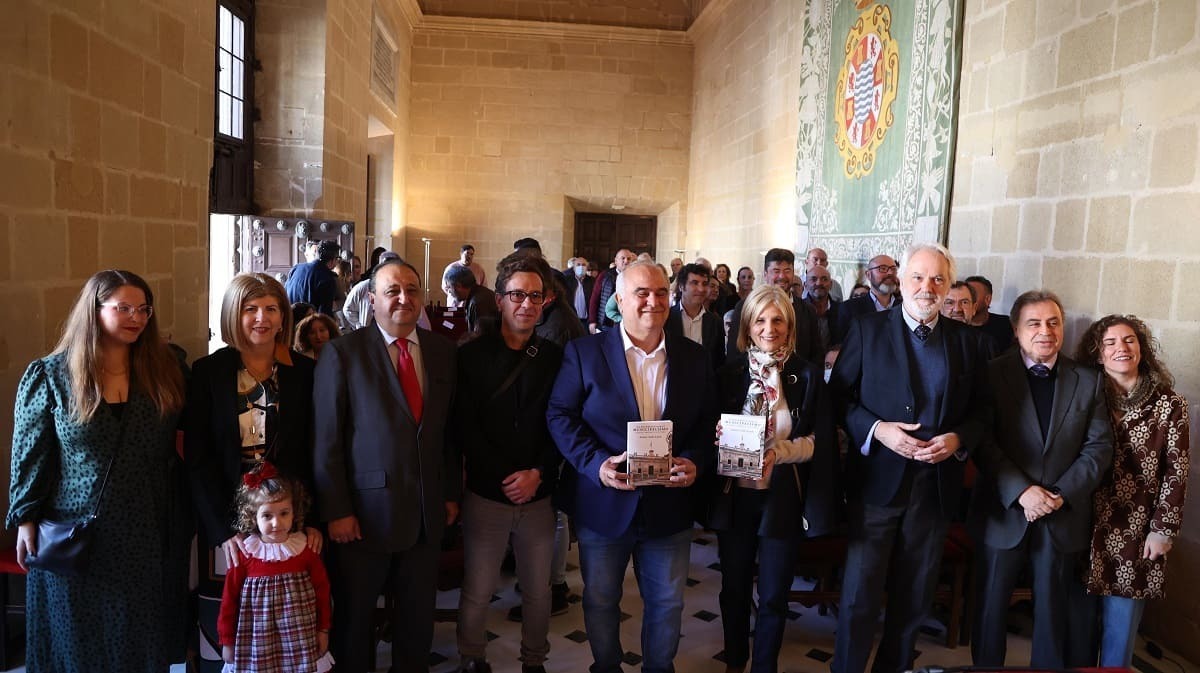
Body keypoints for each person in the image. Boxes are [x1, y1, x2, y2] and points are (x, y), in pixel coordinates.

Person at [8, 269, 187, 671]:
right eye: (123, 307)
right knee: (76, 639)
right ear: (94, 309)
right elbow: (30, 454)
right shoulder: (51, 376)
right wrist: (25, 518)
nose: (136, 317)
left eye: (143, 309)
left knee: (138, 637)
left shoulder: (166, 369)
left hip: (147, 526)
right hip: (75, 529)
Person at [828, 243, 993, 673]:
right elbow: (838, 399)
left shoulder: (968, 343)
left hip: (934, 490)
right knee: (860, 595)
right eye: (918, 277)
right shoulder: (867, 330)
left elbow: (983, 410)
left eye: (938, 279)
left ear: (948, 286)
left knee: (913, 598)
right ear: (901, 281)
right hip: (877, 485)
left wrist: (958, 438)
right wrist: (877, 430)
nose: (927, 287)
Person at [547, 260, 717, 673]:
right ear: (619, 300)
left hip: (670, 504)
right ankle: (606, 666)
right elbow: (560, 414)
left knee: (667, 602)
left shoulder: (694, 357)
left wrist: (695, 462)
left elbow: (710, 423)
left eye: (660, 292)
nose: (652, 301)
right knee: (601, 598)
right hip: (605, 501)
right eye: (641, 293)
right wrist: (594, 464)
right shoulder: (585, 353)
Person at [313, 259, 459, 673]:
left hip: (426, 514)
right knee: (356, 621)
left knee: (416, 623)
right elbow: (327, 440)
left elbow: (449, 432)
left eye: (412, 290)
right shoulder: (344, 353)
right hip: (363, 516)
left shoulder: (442, 352)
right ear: (372, 298)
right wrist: (337, 510)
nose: (403, 298)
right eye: (392, 290)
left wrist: (449, 493)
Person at [969, 290, 1113, 667]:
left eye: (1053, 323)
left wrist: (1059, 495)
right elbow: (982, 440)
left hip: (1061, 515)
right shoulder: (990, 374)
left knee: (1054, 615)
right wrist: (1021, 492)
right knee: (989, 610)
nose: (1045, 331)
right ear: (1016, 330)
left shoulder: (1089, 380)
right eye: (1034, 323)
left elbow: (1098, 449)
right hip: (1004, 512)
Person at [709, 285, 839, 673]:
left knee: (774, 595)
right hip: (735, 496)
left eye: (778, 320)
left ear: (790, 326)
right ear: (747, 326)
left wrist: (778, 454)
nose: (769, 328)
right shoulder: (727, 375)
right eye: (760, 320)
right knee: (733, 588)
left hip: (782, 497)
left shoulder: (808, 376)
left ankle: (764, 666)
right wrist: (716, 437)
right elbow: (703, 434)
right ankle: (735, 662)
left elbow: (821, 442)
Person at [454, 255, 565, 673]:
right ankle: (472, 658)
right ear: (499, 300)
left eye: (535, 296)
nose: (526, 304)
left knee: (538, 590)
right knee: (479, 588)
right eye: (517, 295)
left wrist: (538, 472)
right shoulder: (471, 356)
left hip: (538, 492)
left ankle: (534, 661)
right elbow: (464, 424)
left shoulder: (554, 357)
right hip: (488, 491)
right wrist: (505, 476)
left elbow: (561, 422)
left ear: (545, 302)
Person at [1075, 315, 1190, 666]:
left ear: (1141, 348)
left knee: (1120, 629)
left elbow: (1177, 470)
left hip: (1137, 528)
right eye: (1110, 343)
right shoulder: (1082, 394)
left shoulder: (1169, 404)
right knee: (1077, 624)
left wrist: (1163, 530)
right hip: (1082, 521)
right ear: (1097, 353)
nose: (1121, 349)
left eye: (1129, 340)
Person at [219, 463, 334, 673]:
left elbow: (322, 593)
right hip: (257, 644)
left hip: (300, 641)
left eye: (284, 513)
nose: (276, 523)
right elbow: (229, 601)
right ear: (253, 516)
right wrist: (227, 641)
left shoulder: (305, 550)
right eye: (267, 516)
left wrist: (323, 630)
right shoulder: (245, 554)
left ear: (294, 513)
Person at [725, 248, 822, 365]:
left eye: (787, 271)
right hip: (755, 377)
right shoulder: (746, 306)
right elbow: (735, 350)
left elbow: (816, 354)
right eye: (776, 271)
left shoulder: (807, 310)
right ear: (765, 274)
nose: (782, 276)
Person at [665, 263, 725, 370]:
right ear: (681, 286)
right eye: (695, 283)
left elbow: (718, 361)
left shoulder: (715, 322)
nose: (701, 289)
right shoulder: (666, 318)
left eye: (705, 284)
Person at [285, 239, 342, 316]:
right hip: (308, 324)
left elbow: (284, 295)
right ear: (332, 260)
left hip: (289, 320)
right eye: (337, 259)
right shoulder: (327, 278)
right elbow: (324, 314)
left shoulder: (296, 268)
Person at [588, 248, 636, 333]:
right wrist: (592, 321)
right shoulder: (605, 275)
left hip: (627, 323)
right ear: (616, 260)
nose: (626, 261)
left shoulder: (635, 277)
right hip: (605, 322)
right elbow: (595, 298)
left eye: (629, 259)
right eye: (623, 258)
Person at [444, 263, 500, 335]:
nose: (449, 291)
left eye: (449, 287)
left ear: (458, 286)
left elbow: (481, 339)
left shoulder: (477, 303)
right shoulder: (479, 295)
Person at [965, 275, 1015, 351]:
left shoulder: (1005, 324)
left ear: (987, 299)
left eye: (973, 295)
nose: (967, 300)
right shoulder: (958, 327)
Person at [562, 255, 595, 328]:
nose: (581, 267)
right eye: (578, 265)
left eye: (584, 265)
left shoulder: (592, 281)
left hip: (586, 321)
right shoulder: (567, 281)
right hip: (571, 321)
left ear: (587, 268)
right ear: (573, 268)